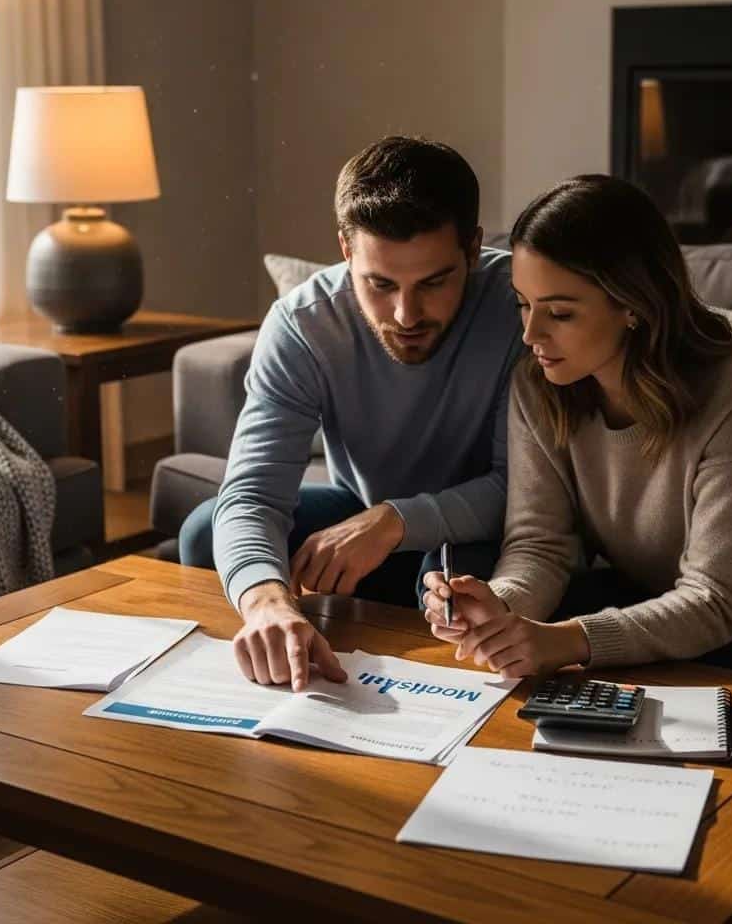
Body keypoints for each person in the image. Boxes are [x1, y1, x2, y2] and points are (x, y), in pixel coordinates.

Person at [423, 174, 732, 686]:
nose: (530, 334)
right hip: (658, 598)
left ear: (632, 303)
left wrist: (565, 639)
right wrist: (497, 607)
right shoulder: (539, 385)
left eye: (560, 312)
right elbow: (540, 544)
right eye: (523, 304)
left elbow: (716, 600)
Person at [179, 136, 523, 691]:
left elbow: (524, 489)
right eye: (380, 284)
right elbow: (252, 496)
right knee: (203, 532)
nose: (406, 314)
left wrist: (395, 521)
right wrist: (267, 602)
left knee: (453, 577)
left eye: (434, 282)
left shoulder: (520, 306)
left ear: (474, 248)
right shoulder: (303, 324)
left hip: (484, 531)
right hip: (365, 520)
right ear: (345, 250)